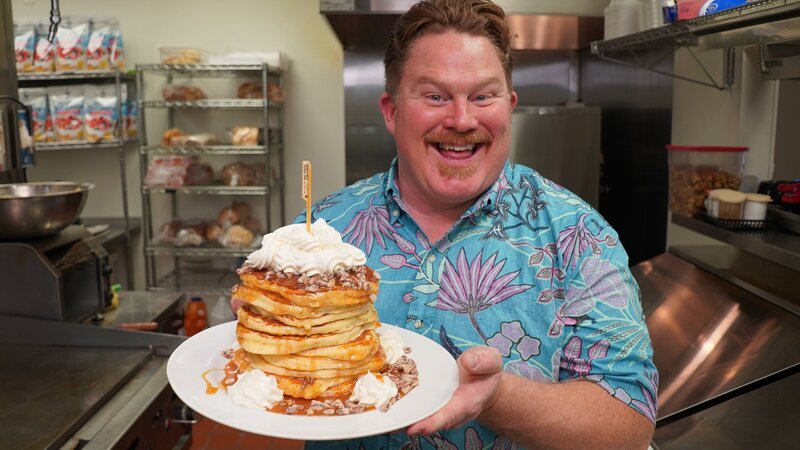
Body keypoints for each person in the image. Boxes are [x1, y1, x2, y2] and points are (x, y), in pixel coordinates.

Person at [240, 0, 658, 448]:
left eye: (483, 96)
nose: (461, 120)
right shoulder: (319, 232)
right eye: (435, 96)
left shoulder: (579, 237)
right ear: (391, 111)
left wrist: (498, 398)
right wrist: (267, 325)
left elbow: (630, 424)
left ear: (509, 106)